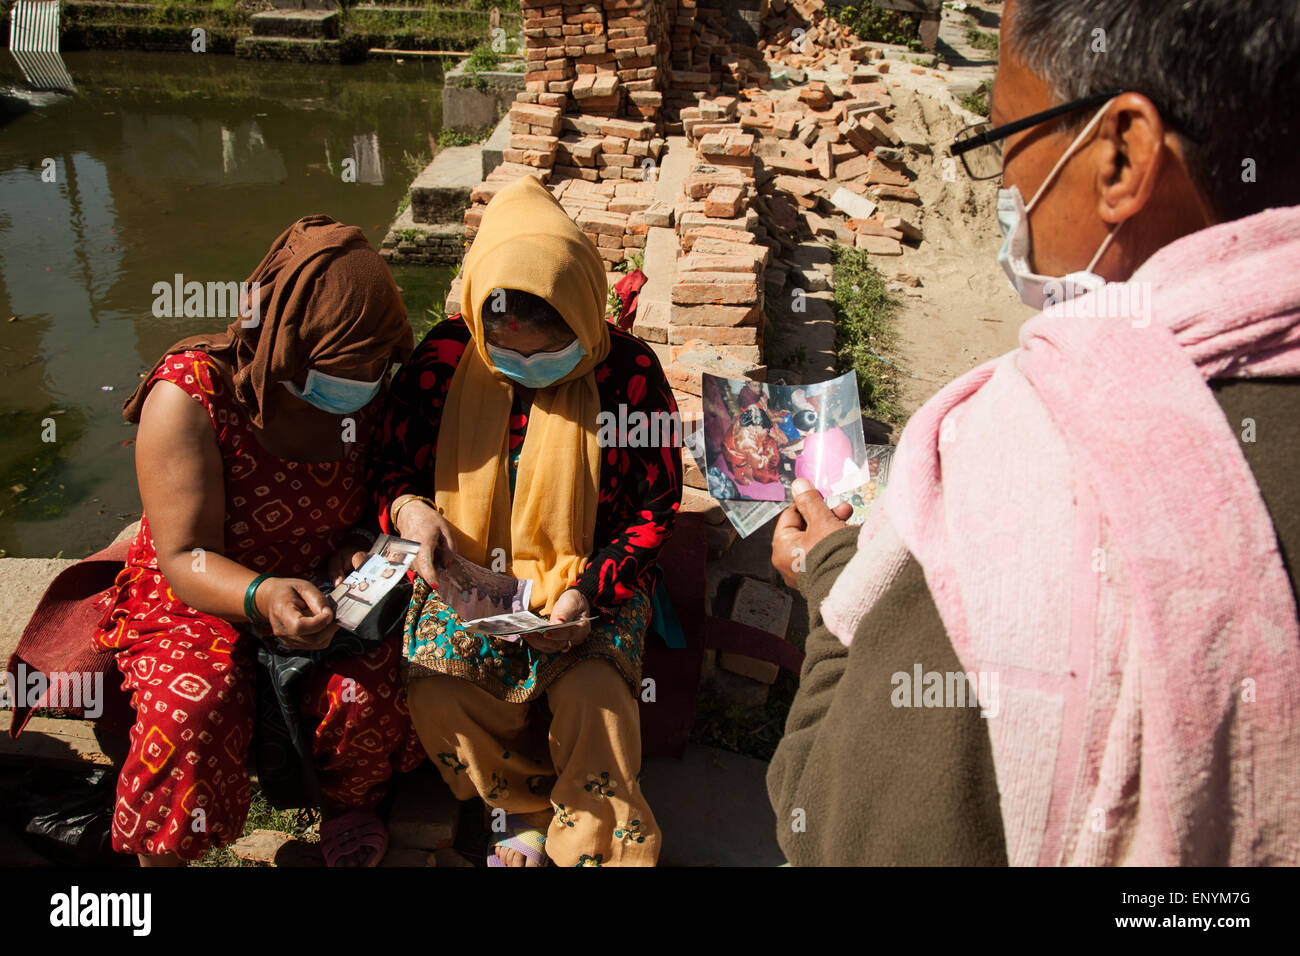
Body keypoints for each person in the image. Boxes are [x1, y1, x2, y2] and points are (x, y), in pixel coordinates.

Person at [768, 0, 1300, 866]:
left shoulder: (1016, 485)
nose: (1007, 191)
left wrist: (838, 592)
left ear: (1122, 153)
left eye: (1006, 140)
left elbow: (834, 823)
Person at [371, 175, 682, 867]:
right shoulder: (445, 362)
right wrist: (413, 512)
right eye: (507, 347)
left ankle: (593, 839)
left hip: (590, 578)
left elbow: (655, 507)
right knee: (440, 681)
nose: (529, 365)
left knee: (594, 692)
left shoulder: (628, 374)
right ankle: (519, 805)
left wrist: (588, 593)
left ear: (581, 312)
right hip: (468, 578)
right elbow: (391, 468)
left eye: (549, 347)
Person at [97, 216, 425, 866]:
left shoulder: (366, 397)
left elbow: (376, 490)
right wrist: (261, 594)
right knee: (192, 708)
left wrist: (358, 545)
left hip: (321, 588)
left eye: (372, 364)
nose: (358, 380)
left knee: (371, 688)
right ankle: (163, 854)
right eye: (340, 366)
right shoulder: (192, 394)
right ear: (285, 339)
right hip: (200, 593)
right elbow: (185, 555)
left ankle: (348, 804)